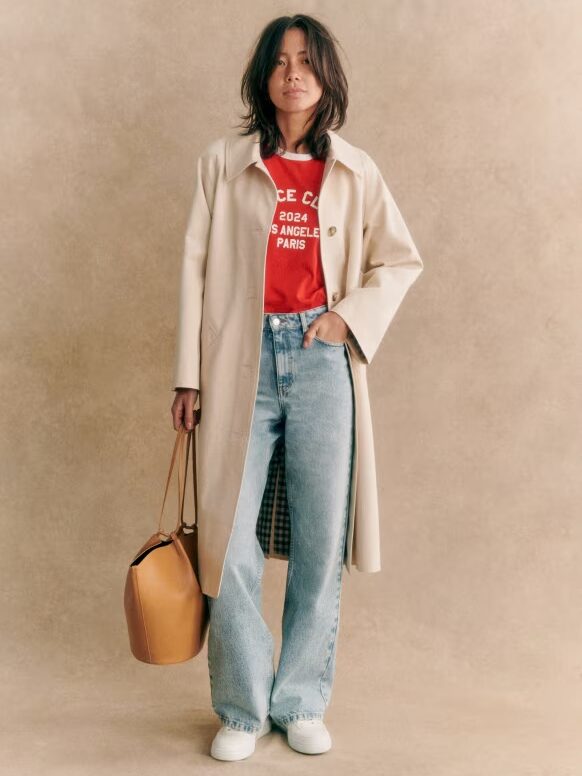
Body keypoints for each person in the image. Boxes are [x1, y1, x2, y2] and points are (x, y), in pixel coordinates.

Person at [170, 13, 424, 762]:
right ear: (263, 75)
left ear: (327, 77)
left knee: (320, 538)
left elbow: (399, 261)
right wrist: (188, 375)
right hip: (239, 364)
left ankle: (302, 700)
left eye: (307, 61)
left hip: (319, 359)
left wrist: (347, 320)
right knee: (228, 535)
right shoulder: (223, 162)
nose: (293, 73)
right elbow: (192, 269)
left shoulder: (355, 169)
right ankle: (243, 708)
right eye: (280, 61)